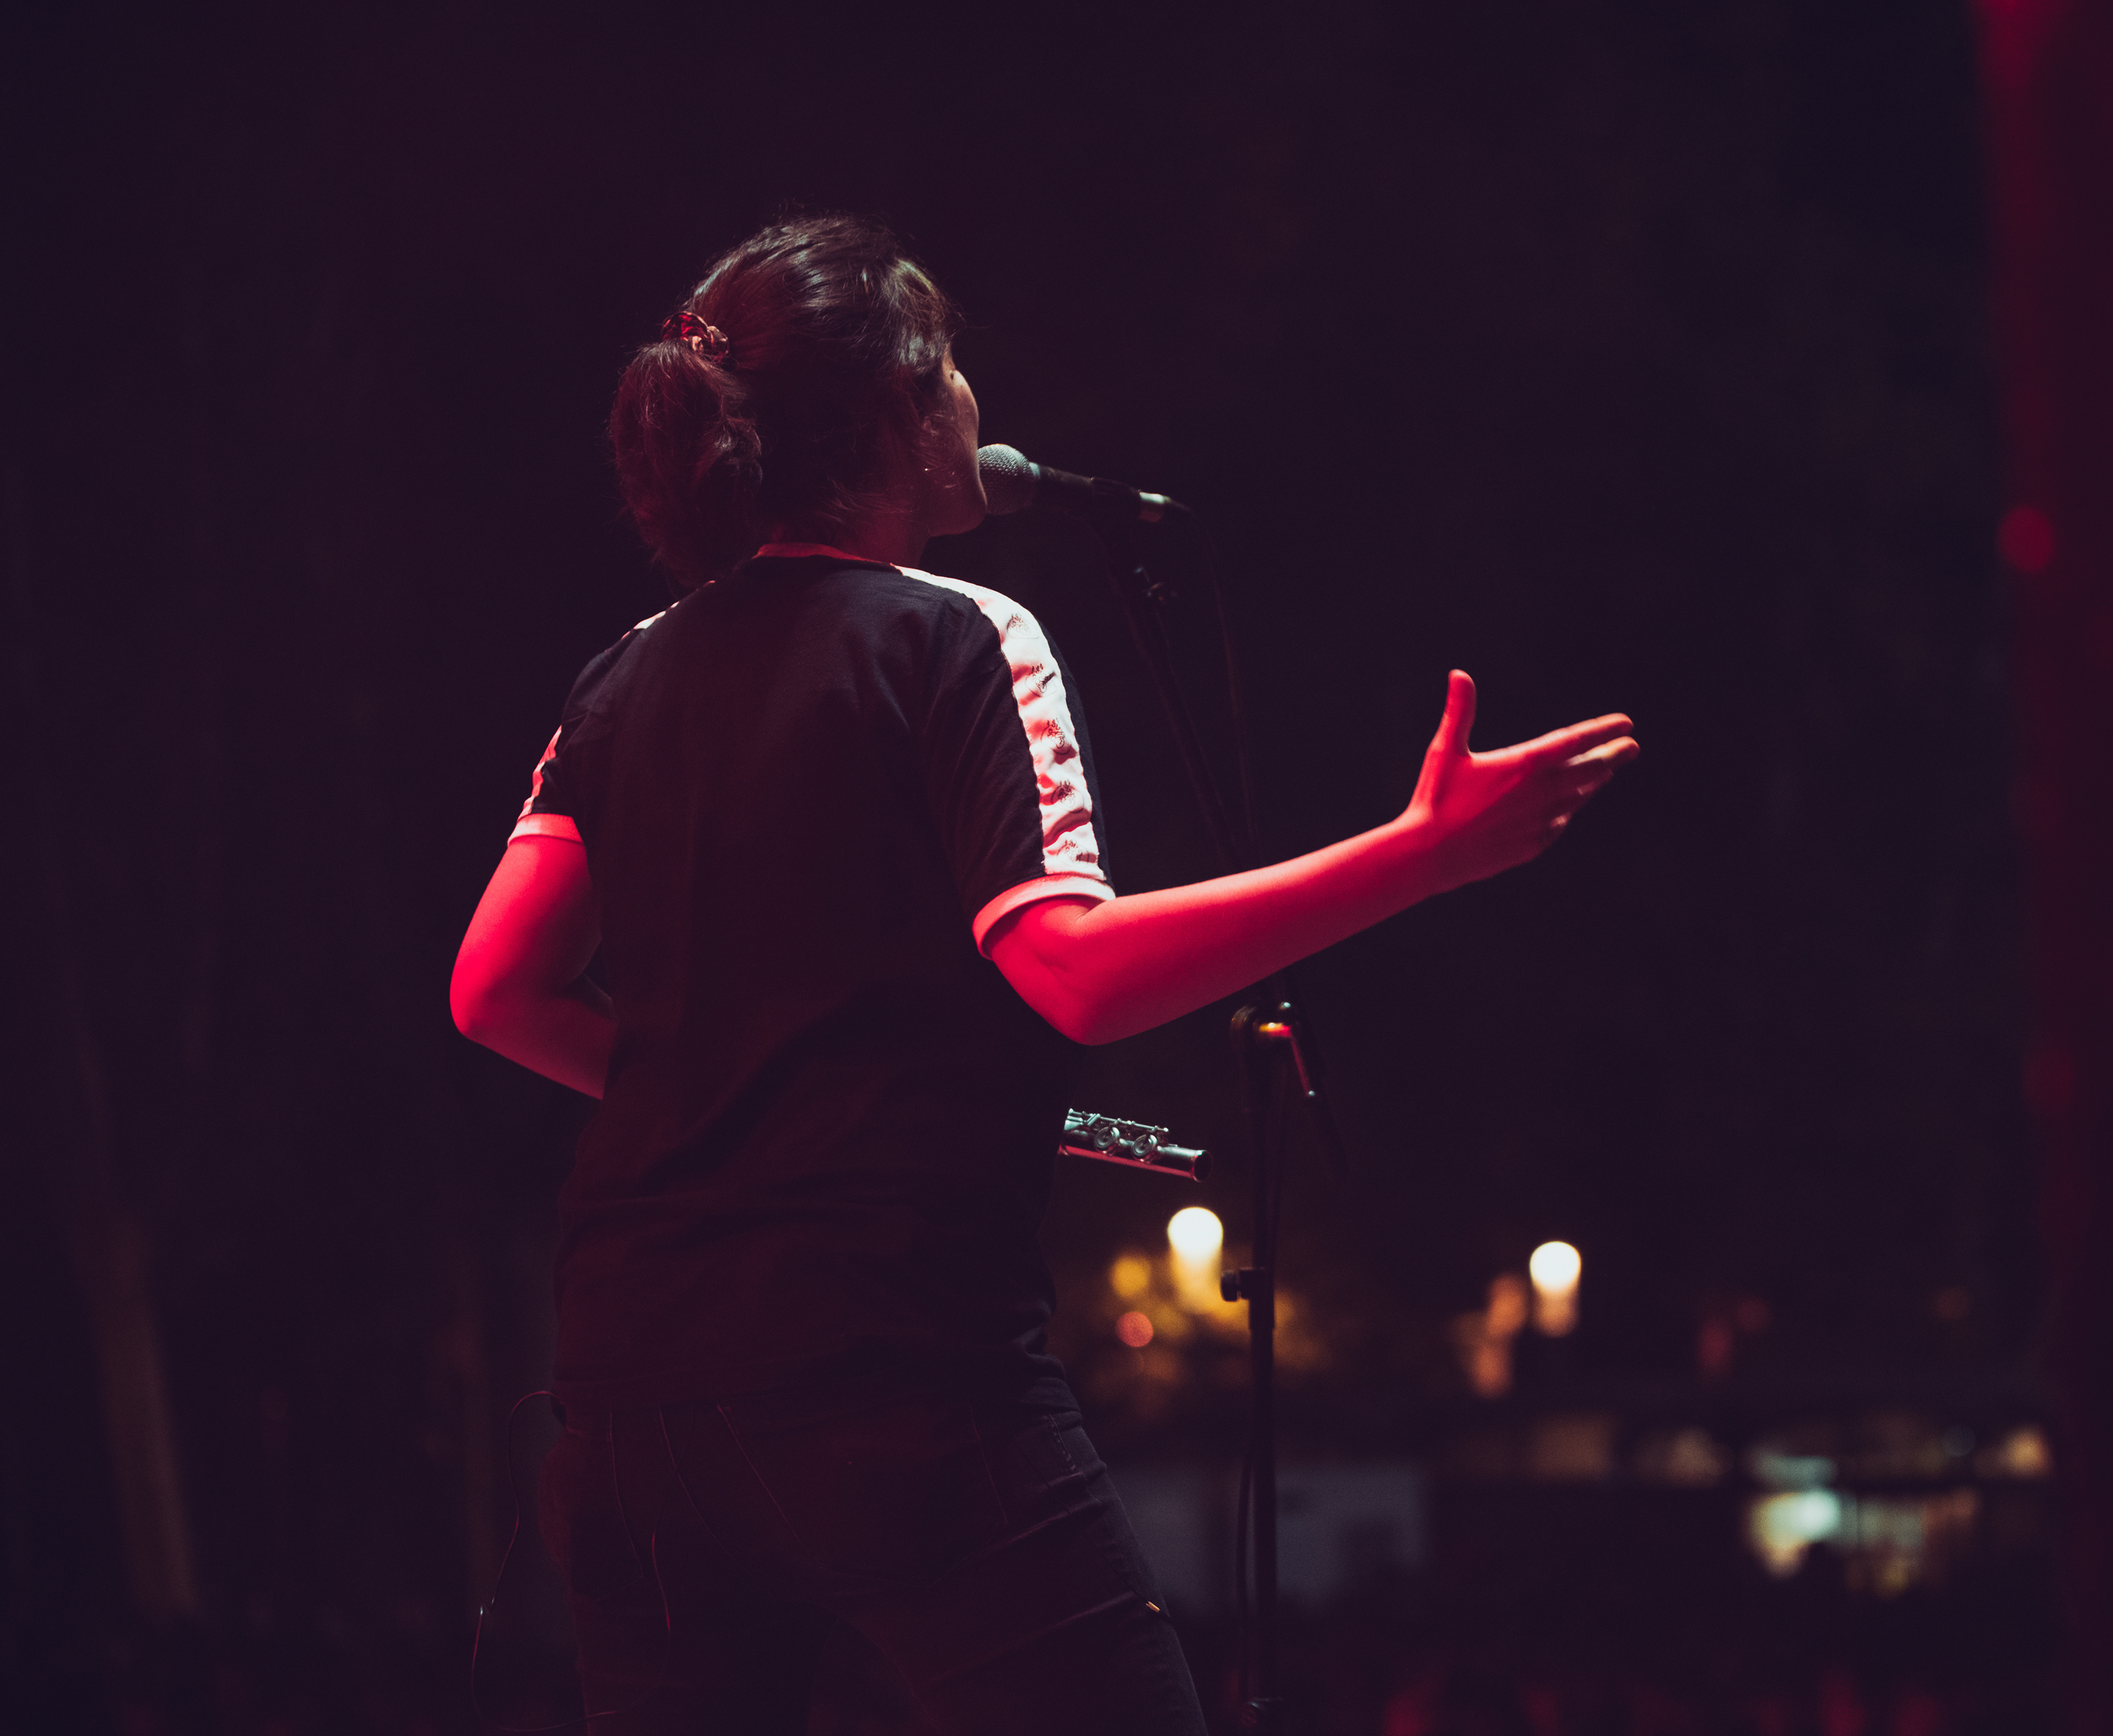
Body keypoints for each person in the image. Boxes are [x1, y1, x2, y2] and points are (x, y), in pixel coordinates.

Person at [450, 213, 1637, 1736]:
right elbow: (1068, 971)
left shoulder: (620, 674)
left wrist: (737, 1099)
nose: (971, 398)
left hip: (636, 1397)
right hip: (892, 1371)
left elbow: (497, 990)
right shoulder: (960, 634)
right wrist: (1421, 855)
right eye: (949, 365)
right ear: (896, 408)